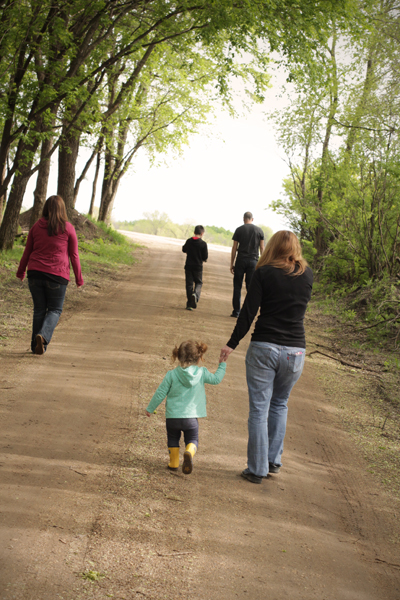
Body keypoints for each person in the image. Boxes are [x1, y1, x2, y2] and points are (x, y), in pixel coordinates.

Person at [220, 231, 313, 484]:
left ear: (271, 247)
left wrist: (232, 343)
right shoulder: (307, 274)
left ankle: (257, 469)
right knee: (280, 403)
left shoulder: (264, 272)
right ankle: (272, 461)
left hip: (265, 347)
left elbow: (248, 312)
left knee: (259, 409)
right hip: (295, 351)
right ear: (295, 248)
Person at [146, 340, 226, 474]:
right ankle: (189, 451)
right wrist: (222, 364)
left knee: (173, 439)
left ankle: (174, 463)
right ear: (199, 357)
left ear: (177, 356)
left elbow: (160, 393)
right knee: (193, 439)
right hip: (191, 419)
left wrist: (150, 408)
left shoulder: (171, 375)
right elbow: (216, 379)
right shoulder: (202, 373)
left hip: (173, 418)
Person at [16, 195, 84, 355]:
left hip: (35, 274)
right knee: (54, 310)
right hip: (57, 276)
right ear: (62, 210)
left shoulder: (36, 227)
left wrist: (21, 271)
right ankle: (43, 336)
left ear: (45, 208)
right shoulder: (68, 228)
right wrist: (79, 278)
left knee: (39, 309)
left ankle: (36, 346)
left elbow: (27, 251)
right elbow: (74, 255)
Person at [230, 212, 265, 318]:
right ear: (252, 219)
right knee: (250, 287)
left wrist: (232, 263)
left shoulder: (239, 229)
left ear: (243, 219)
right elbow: (262, 248)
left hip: (241, 260)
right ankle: (249, 312)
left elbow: (234, 248)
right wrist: (262, 263)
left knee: (237, 286)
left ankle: (236, 311)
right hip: (253, 261)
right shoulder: (259, 230)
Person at [182, 225, 208, 310]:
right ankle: (196, 296)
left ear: (194, 232)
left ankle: (190, 303)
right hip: (198, 267)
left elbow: (184, 249)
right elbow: (205, 257)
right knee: (198, 283)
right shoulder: (203, 244)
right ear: (202, 233)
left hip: (188, 266)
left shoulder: (189, 241)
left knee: (189, 284)